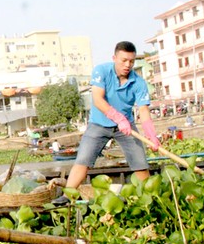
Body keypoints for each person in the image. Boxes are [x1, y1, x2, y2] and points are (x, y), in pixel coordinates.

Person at [66, 41, 161, 189]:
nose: (127, 65)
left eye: (131, 61)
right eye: (124, 60)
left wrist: (151, 134)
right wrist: (118, 118)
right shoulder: (101, 71)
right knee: (82, 161)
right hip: (98, 124)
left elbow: (143, 110)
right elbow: (98, 99)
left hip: (126, 128)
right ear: (114, 58)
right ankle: (67, 196)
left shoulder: (139, 82)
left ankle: (152, 198)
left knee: (140, 163)